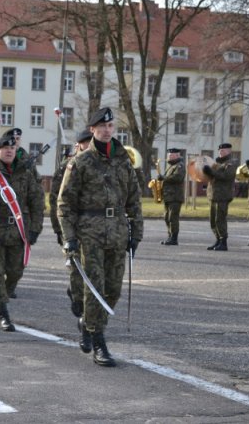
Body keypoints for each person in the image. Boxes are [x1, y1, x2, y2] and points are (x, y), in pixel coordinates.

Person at [58, 107, 143, 367]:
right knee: (94, 289)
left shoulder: (123, 160)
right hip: (89, 234)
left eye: (110, 126)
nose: (107, 130)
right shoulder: (80, 162)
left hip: (117, 233)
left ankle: (88, 323)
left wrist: (135, 234)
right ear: (92, 130)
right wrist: (69, 238)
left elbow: (134, 200)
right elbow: (65, 203)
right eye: (102, 127)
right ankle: (99, 342)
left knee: (113, 291)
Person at [0, 129, 44, 332]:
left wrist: (35, 229)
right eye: (5, 147)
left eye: (12, 147)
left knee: (15, 272)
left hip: (18, 232)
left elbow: (37, 201)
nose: (9, 151)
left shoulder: (25, 172)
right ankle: (3, 313)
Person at [50, 129, 91, 317]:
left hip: (96, 227)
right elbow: (57, 198)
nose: (89, 145)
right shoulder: (69, 166)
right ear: (78, 145)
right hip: (74, 225)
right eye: (85, 142)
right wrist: (59, 229)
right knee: (77, 267)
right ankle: (78, 296)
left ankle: (83, 299)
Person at [203, 143, 236, 251]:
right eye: (220, 150)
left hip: (223, 195)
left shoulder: (230, 163)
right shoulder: (216, 163)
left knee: (220, 219)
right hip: (213, 195)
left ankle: (223, 242)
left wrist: (211, 172)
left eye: (224, 150)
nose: (221, 152)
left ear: (229, 151)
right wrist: (206, 172)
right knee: (213, 220)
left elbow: (226, 176)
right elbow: (210, 177)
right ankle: (218, 240)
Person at [160, 148, 186, 246]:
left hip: (175, 196)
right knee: (167, 217)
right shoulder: (171, 166)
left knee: (173, 218)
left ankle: (174, 239)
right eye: (168, 155)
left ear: (177, 156)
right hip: (168, 196)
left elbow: (178, 177)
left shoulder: (180, 166)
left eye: (171, 155)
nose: (169, 157)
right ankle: (170, 236)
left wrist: (164, 178)